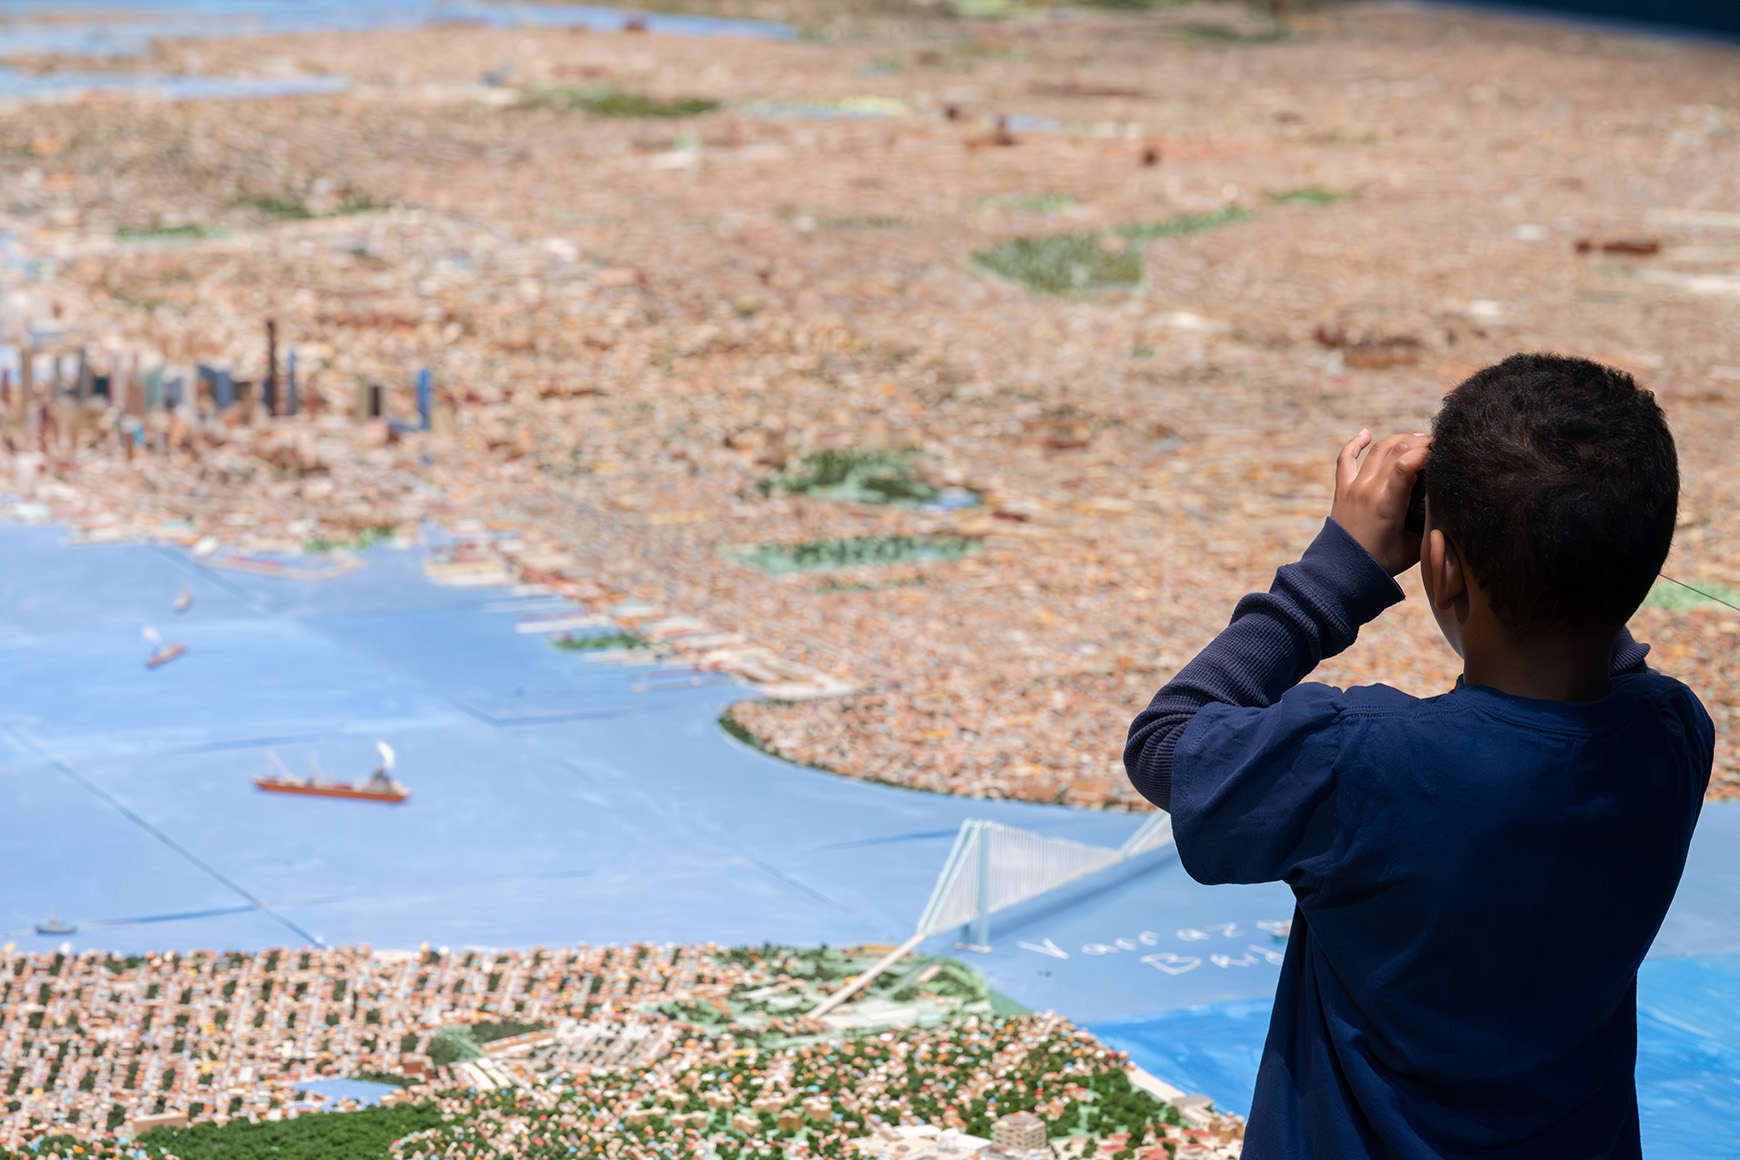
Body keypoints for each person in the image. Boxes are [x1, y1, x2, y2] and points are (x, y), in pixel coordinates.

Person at [1124, 354, 1712, 1157]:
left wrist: (1337, 571)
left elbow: (1165, 741)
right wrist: (1578, 511)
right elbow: (1613, 665)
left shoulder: (1358, 764)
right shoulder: (1673, 736)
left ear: (1439, 567)